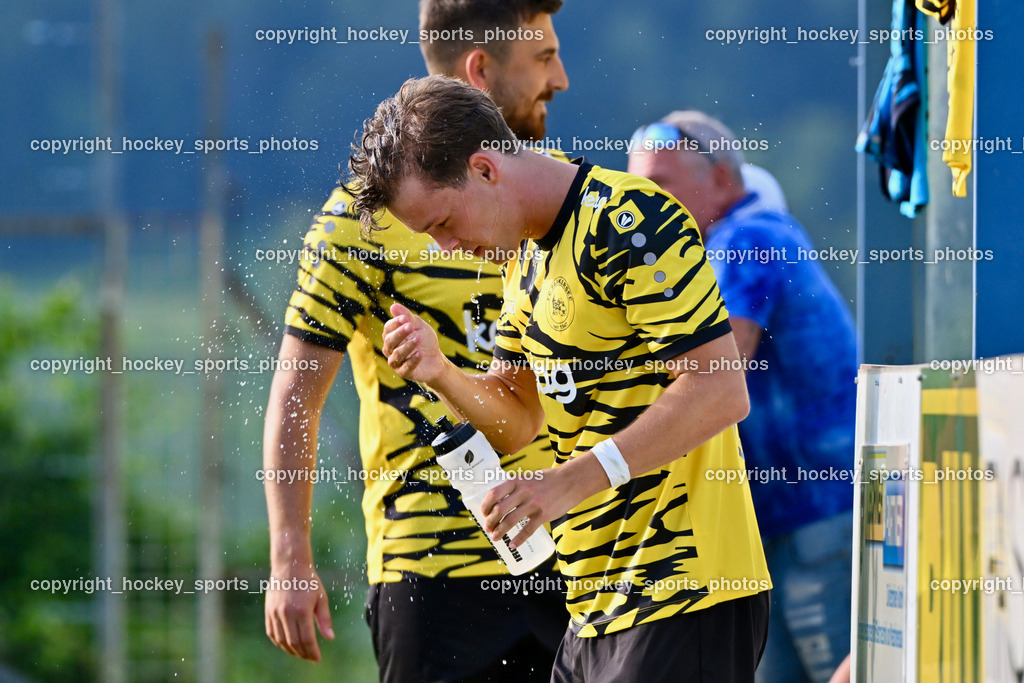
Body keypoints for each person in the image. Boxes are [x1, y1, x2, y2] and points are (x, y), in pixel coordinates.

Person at [353, 75, 772, 682]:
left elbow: (719, 389)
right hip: (593, 608)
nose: (445, 247)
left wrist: (567, 483)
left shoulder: (631, 220)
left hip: (687, 590)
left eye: (442, 221)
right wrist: (440, 372)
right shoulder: (524, 256)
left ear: (485, 169)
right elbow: (518, 418)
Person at [262, 2, 570, 680]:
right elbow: (295, 394)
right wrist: (290, 558)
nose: (562, 79)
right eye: (543, 59)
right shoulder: (364, 216)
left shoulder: (557, 196)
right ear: (481, 70)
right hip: (434, 573)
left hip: (571, 554)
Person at [627, 112, 856, 683]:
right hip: (790, 519)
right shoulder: (745, 234)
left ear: (723, 180)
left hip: (815, 517)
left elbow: (717, 368)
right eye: (635, 189)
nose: (637, 208)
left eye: (660, 187)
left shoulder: (746, 238)